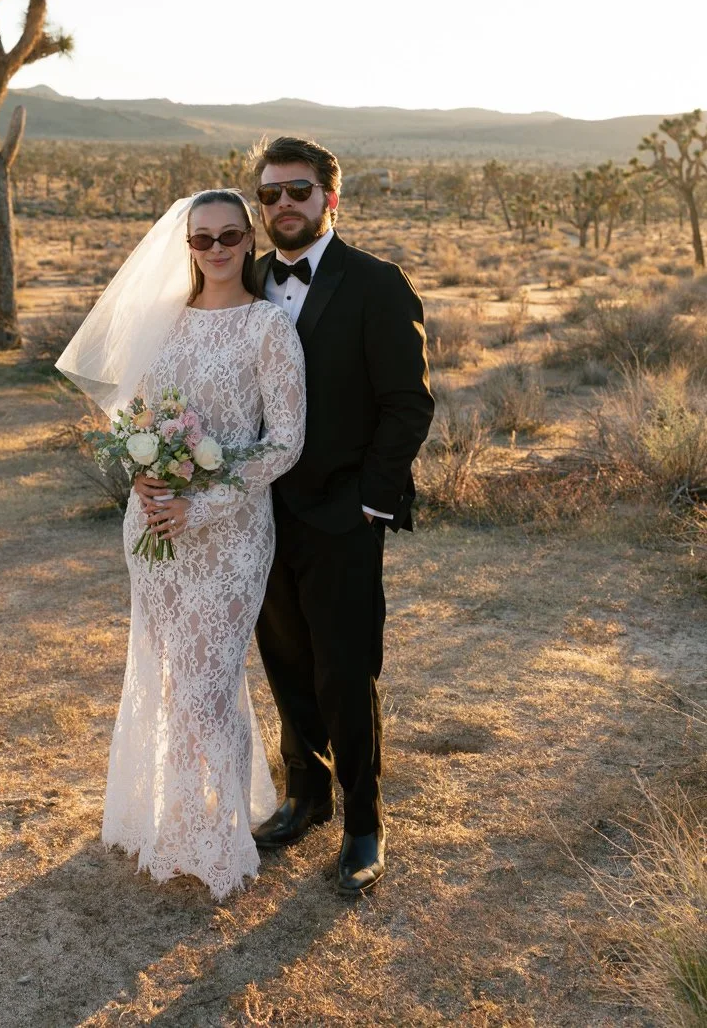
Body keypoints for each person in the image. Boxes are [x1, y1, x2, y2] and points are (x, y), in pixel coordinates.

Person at [57, 189, 306, 901]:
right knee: (175, 681)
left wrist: (208, 503)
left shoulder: (267, 327)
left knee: (208, 687)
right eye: (203, 239)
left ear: (249, 241)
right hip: (154, 527)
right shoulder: (159, 322)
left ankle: (218, 838)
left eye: (231, 235)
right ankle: (176, 818)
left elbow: (285, 443)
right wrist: (141, 474)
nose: (218, 249)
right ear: (186, 246)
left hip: (230, 531)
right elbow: (131, 418)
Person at [248, 136, 434, 895]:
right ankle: (305, 795)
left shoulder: (377, 284)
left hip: (343, 517)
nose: (282, 205)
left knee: (346, 672)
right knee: (286, 663)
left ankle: (365, 822)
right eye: (269, 195)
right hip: (259, 516)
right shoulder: (246, 279)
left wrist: (369, 502)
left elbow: (408, 404)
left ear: (331, 198)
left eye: (297, 191)